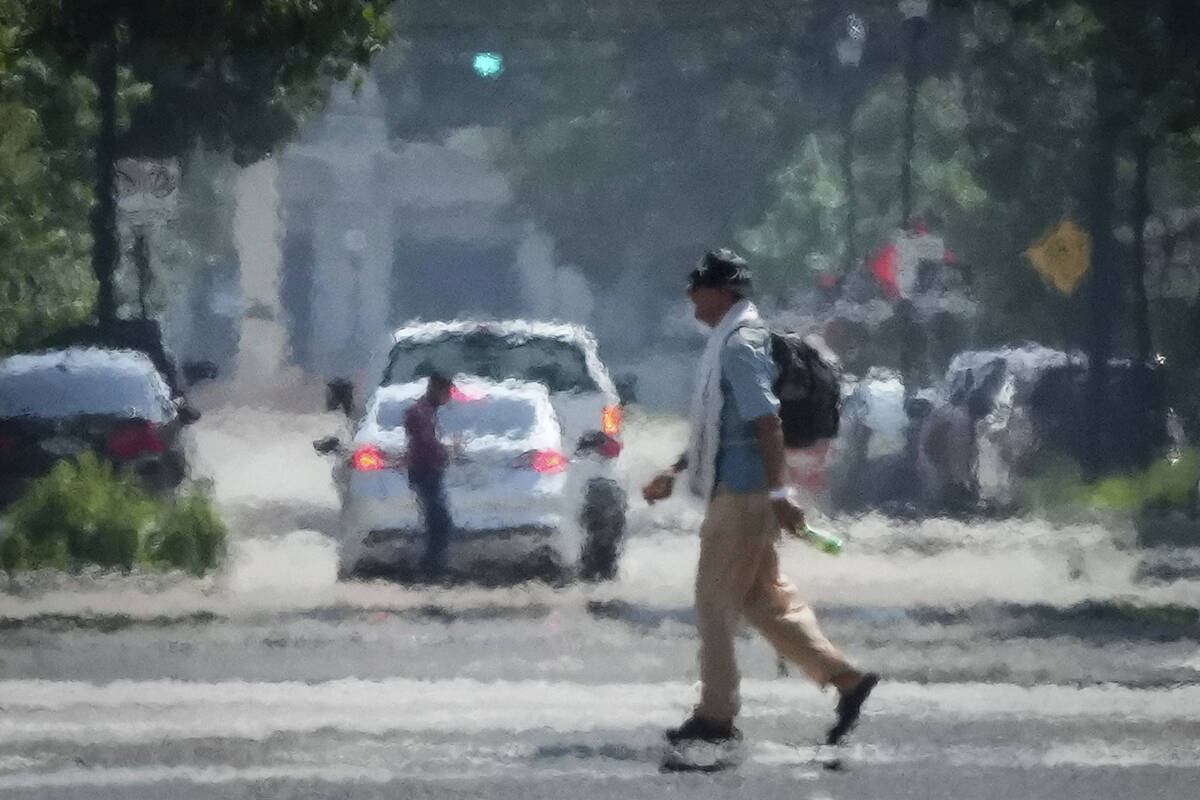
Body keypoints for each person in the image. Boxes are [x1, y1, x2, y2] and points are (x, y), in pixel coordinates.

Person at [642, 249, 879, 747]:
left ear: (721, 292)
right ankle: (848, 681)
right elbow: (720, 427)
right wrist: (675, 469)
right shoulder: (726, 341)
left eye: (698, 286)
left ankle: (715, 716)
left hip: (745, 494)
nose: (690, 295)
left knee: (712, 602)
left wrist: (779, 493)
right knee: (764, 600)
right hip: (740, 487)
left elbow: (766, 423)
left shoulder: (739, 346)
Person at [404, 372, 455, 579]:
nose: (449, 397)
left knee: (437, 520)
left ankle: (433, 564)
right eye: (447, 392)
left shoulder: (428, 411)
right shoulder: (419, 412)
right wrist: (444, 449)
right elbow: (424, 442)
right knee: (440, 522)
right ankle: (430, 567)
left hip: (429, 471)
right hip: (425, 472)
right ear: (437, 389)